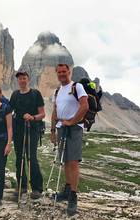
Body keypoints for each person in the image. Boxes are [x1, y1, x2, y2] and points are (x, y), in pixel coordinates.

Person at [50, 64, 89, 216]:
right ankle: (67, 190)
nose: (61, 74)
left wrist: (72, 121)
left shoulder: (77, 86)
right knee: (65, 160)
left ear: (69, 72)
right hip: (61, 128)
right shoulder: (58, 91)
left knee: (73, 161)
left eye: (64, 72)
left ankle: (73, 195)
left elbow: (84, 106)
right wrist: (53, 130)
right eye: (59, 72)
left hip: (74, 128)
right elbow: (54, 111)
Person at [10, 70, 45, 199]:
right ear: (17, 81)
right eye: (20, 79)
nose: (22, 81)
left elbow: (42, 114)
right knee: (20, 157)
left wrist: (32, 117)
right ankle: (22, 185)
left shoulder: (36, 94)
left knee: (32, 157)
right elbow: (9, 111)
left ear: (28, 79)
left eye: (24, 78)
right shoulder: (14, 95)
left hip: (33, 128)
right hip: (18, 129)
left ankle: (37, 188)